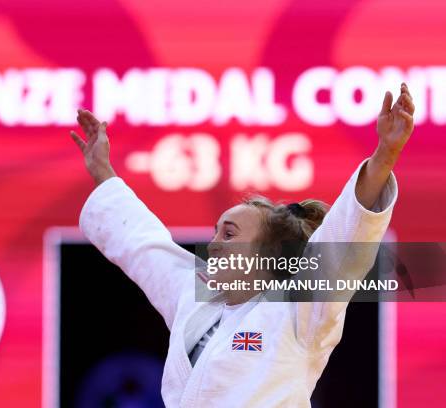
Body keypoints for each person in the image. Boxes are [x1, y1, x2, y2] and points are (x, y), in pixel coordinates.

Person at [69, 83, 415, 407]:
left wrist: (384, 156)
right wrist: (102, 171)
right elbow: (144, 245)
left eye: (230, 234)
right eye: (216, 232)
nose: (214, 244)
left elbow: (341, 247)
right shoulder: (194, 298)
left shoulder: (297, 311)